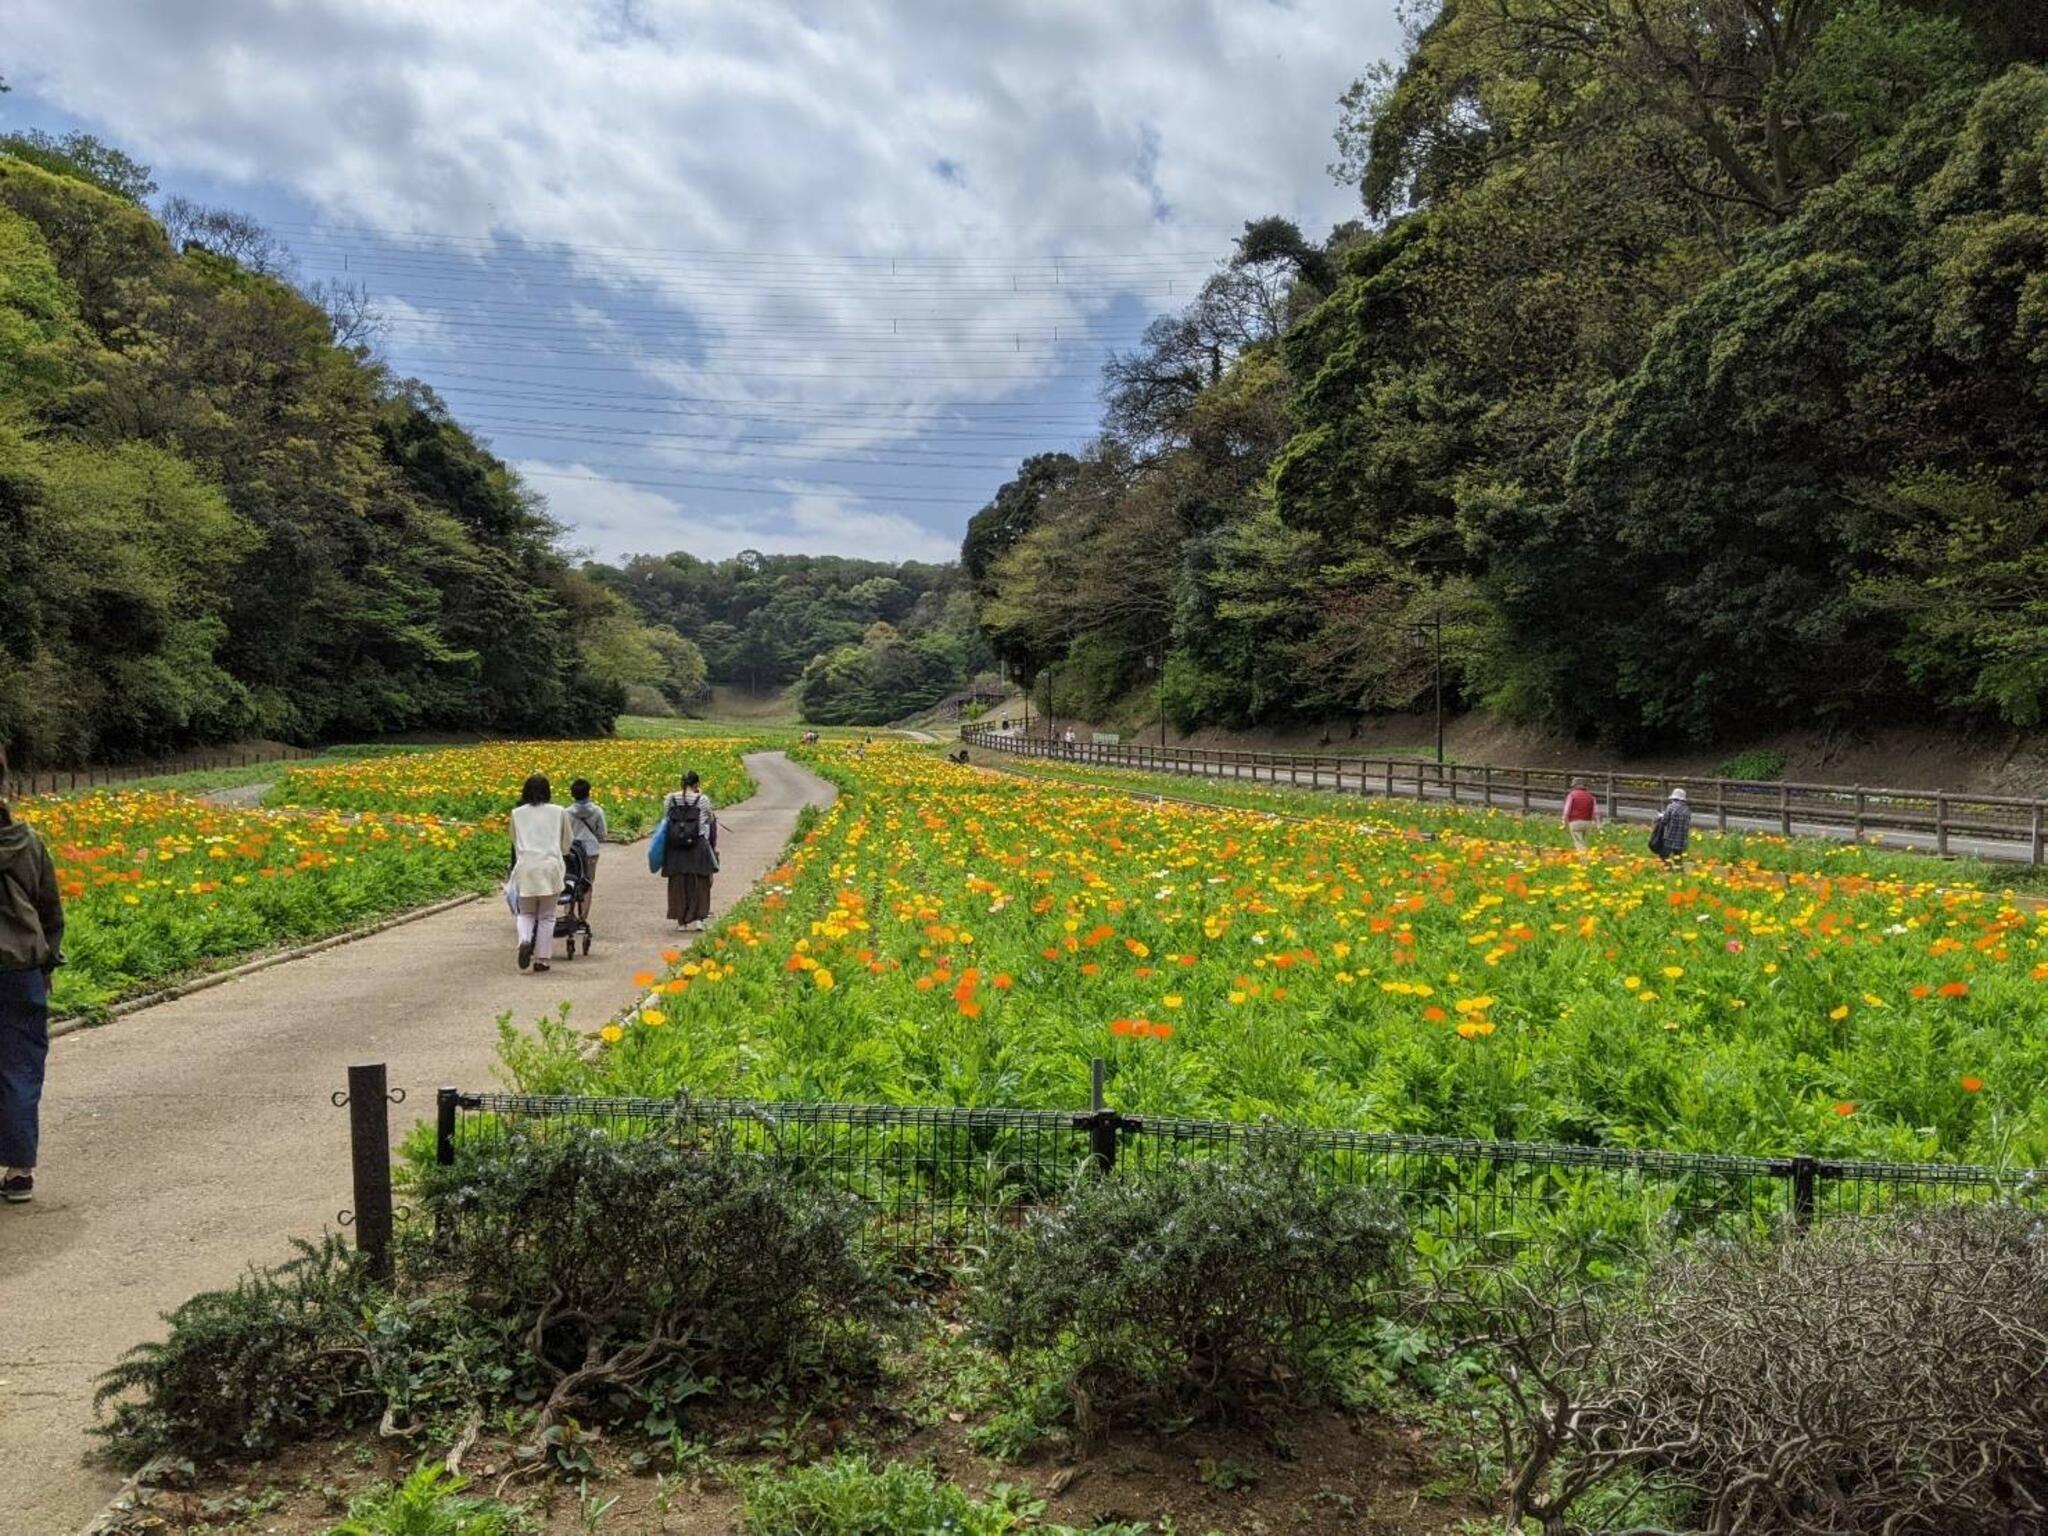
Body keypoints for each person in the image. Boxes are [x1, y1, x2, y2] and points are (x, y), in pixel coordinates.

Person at [0, 798, 63, 1204]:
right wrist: (47, 964)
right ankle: (20, 1170)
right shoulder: (28, 842)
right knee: (20, 1067)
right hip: (21, 970)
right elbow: (49, 909)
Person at [509, 773, 573, 972]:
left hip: (526, 866)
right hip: (550, 866)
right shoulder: (559, 811)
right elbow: (567, 840)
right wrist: (561, 853)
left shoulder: (517, 813)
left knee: (525, 913)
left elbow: (514, 839)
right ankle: (542, 960)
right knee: (547, 916)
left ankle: (525, 940)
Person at [662, 770, 719, 931]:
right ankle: (699, 919)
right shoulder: (703, 799)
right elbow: (709, 818)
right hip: (698, 843)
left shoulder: (671, 798)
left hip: (675, 846)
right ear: (697, 784)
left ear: (682, 783)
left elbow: (666, 818)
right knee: (700, 881)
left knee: (678, 881)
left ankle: (682, 921)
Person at [566, 778, 607, 917]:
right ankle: (582, 918)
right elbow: (602, 834)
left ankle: (569, 915)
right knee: (587, 883)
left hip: (571, 852)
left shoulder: (566, 813)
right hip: (591, 852)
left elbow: (563, 834)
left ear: (572, 794)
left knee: (570, 881)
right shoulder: (597, 811)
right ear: (589, 792)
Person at [1649, 787, 1692, 865]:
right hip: (1682, 838)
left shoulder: (1671, 807)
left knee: (1663, 856)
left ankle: (1669, 869)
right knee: (1678, 858)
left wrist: (1661, 816)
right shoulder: (1687, 809)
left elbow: (1664, 821)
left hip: (1670, 837)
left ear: (1674, 798)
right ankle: (1678, 872)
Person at [1561, 778, 1599, 850]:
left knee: (1578, 843)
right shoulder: (1591, 796)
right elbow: (1595, 812)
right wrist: (1598, 825)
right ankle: (1588, 857)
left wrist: (1564, 822)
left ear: (1574, 786)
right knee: (1585, 842)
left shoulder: (1572, 795)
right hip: (1588, 822)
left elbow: (1566, 811)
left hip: (1574, 822)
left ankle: (1583, 859)